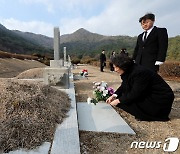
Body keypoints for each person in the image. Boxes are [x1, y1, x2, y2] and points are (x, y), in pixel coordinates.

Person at [106, 54, 174, 121]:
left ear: (122, 65)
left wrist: (118, 101)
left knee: (125, 103)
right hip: (149, 93)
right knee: (123, 98)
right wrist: (114, 95)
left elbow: (135, 93)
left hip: (159, 98)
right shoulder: (129, 70)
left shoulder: (139, 72)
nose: (115, 70)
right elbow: (124, 85)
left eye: (116, 67)